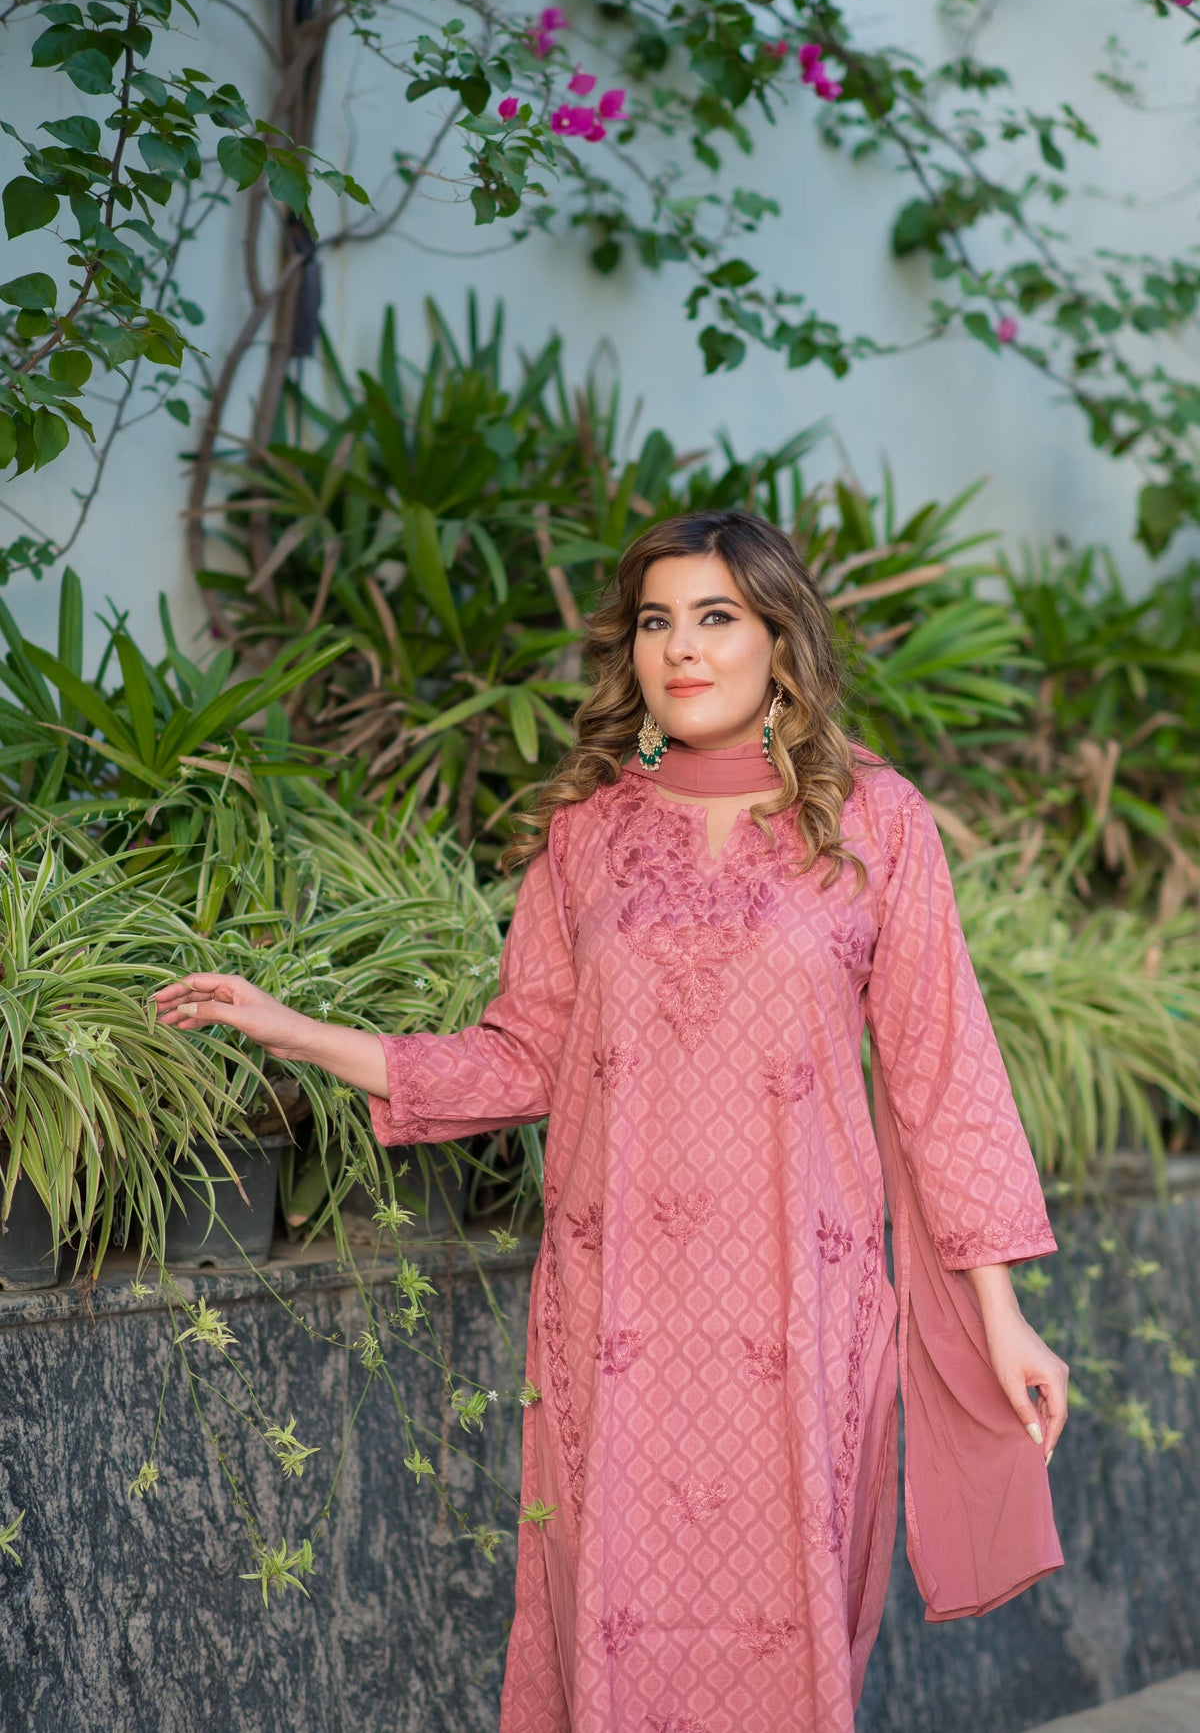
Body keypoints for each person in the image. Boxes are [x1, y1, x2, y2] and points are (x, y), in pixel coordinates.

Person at [154, 509, 1068, 1733]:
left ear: (780, 644)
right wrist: (299, 1031)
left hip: (804, 1316)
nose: (681, 650)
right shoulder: (586, 837)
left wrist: (1001, 1315)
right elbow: (525, 1053)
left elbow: (942, 1075)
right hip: (619, 1317)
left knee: (791, 1642)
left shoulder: (875, 825)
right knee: (614, 1633)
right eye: (655, 622)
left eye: (715, 618)